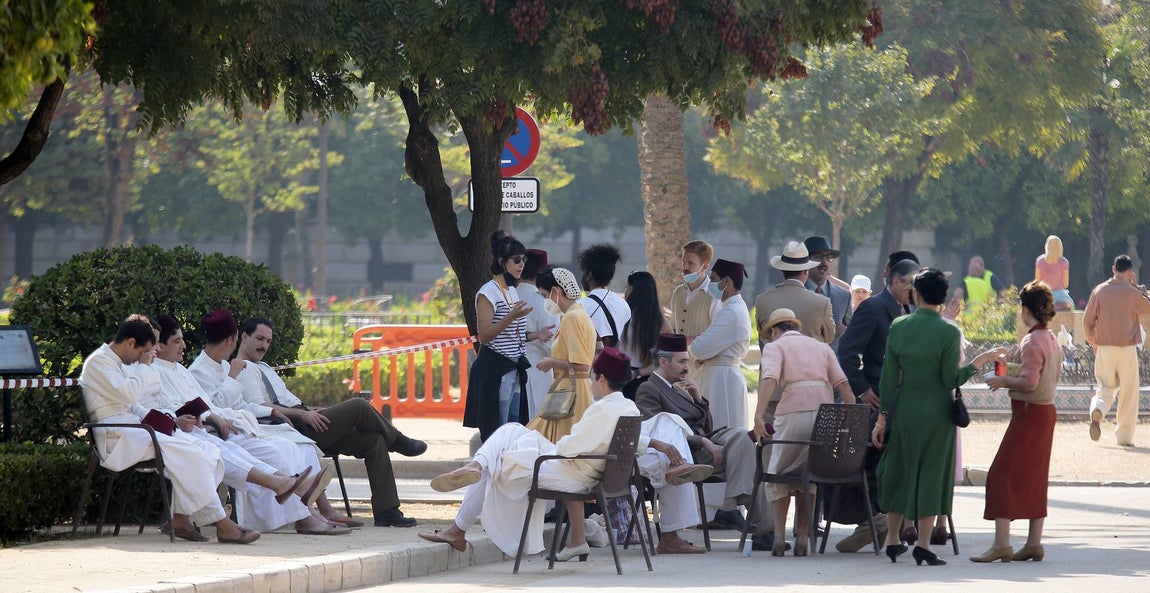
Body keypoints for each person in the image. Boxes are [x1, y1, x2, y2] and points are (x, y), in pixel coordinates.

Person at [417, 348, 659, 560]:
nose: (591, 384)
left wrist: (554, 445)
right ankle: (475, 469)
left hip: (570, 472)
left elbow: (567, 448)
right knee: (513, 431)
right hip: (579, 468)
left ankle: (462, 515)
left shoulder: (602, 410)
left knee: (497, 460)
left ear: (602, 379)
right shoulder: (627, 407)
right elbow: (631, 446)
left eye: (593, 380)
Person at [151, 316, 346, 535]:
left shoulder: (180, 369)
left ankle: (303, 505)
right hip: (204, 431)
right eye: (177, 341)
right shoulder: (176, 370)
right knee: (272, 452)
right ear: (232, 341)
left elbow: (223, 404)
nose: (184, 346)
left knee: (291, 447)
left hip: (229, 425)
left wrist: (267, 411)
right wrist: (214, 414)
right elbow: (190, 407)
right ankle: (298, 508)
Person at [78, 314, 260, 544]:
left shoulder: (118, 361)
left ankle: (181, 518)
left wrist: (170, 422)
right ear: (131, 343)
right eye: (142, 352)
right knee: (191, 452)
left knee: (206, 451)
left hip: (136, 428)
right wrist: (144, 367)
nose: (142, 359)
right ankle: (223, 524)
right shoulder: (98, 363)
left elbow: (134, 405)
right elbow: (128, 394)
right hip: (116, 435)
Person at [232, 316, 428, 527]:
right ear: (244, 337)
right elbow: (261, 407)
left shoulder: (265, 367)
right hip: (290, 428)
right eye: (260, 339)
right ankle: (398, 441)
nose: (264, 346)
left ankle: (387, 511)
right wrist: (303, 415)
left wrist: (310, 410)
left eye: (268, 341)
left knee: (374, 440)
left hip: (306, 419)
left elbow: (288, 400)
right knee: (359, 406)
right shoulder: (241, 368)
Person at [871, 268, 1000, 566]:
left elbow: (888, 379)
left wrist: (882, 418)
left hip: (905, 409)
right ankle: (925, 544)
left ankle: (893, 538)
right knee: (931, 473)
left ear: (915, 294)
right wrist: (978, 363)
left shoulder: (899, 326)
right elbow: (949, 379)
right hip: (938, 412)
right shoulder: (948, 331)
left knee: (900, 469)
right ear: (943, 299)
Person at [635, 333, 779, 551]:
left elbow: (708, 426)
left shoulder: (680, 387)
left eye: (687, 360)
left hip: (706, 441)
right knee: (751, 462)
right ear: (664, 361)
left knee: (742, 437)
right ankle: (764, 531)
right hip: (685, 451)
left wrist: (698, 399)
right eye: (682, 361)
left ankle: (733, 503)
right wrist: (702, 440)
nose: (687, 366)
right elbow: (657, 431)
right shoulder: (649, 389)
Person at [831, 258, 918, 553]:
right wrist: (863, 389)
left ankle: (895, 522)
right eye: (908, 283)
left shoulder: (910, 309)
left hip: (906, 401)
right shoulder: (873, 307)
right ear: (894, 281)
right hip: (879, 400)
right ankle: (872, 520)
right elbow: (846, 351)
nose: (912, 289)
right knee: (876, 460)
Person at [754, 309, 857, 556]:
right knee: (809, 475)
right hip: (825, 416)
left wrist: (758, 415)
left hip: (793, 415)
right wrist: (853, 419)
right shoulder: (821, 347)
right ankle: (802, 539)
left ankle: (779, 538)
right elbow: (843, 385)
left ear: (775, 330)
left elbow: (769, 379)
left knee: (779, 474)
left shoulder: (775, 347)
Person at [969, 281, 1059, 563]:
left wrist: (1002, 379)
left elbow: (1030, 382)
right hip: (1046, 411)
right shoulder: (1050, 337)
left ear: (1025, 309)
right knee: (1035, 476)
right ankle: (1033, 542)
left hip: (1029, 413)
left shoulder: (1032, 341)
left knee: (1001, 474)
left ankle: (1002, 544)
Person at [463, 231, 551, 439]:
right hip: (495, 369)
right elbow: (484, 336)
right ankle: (493, 471)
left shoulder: (512, 290)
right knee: (497, 431)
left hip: (514, 368)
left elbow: (513, 336)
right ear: (502, 262)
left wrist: (535, 335)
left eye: (524, 260)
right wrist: (511, 316)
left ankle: (505, 470)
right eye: (517, 260)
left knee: (512, 429)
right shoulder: (488, 292)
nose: (522, 265)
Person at [1083, 254, 1150, 446]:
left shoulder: (1099, 290)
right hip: (1127, 349)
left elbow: (1087, 321)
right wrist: (1139, 290)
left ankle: (1098, 409)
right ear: (1130, 273)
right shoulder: (1132, 293)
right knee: (1129, 393)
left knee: (1105, 387)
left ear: (1113, 269)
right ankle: (1124, 437)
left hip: (1104, 348)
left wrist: (1093, 341)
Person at [526, 267, 597, 442]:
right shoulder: (578, 314)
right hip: (572, 389)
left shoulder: (572, 318)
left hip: (571, 393)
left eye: (544, 295)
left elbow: (582, 365)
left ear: (556, 291)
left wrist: (552, 362)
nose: (545, 301)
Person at [689, 258, 752, 432]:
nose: (712, 283)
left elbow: (698, 348)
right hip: (718, 375)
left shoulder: (732, 311)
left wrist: (695, 342)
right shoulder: (731, 307)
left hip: (722, 379)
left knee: (722, 431)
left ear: (726, 281)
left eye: (714, 278)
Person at [755, 241, 834, 346]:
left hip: (774, 362)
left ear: (782, 270)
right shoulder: (822, 303)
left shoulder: (762, 301)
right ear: (807, 271)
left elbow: (763, 336)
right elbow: (829, 337)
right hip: (809, 362)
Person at [521, 248, 560, 420]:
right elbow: (553, 344)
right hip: (538, 370)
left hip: (510, 371)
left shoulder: (508, 295)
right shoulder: (543, 301)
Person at [619, 270, 671, 399]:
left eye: (627, 287)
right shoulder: (658, 319)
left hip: (623, 377)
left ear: (631, 289)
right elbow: (670, 350)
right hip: (650, 379)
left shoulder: (623, 314)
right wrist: (638, 372)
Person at [576, 243, 631, 349]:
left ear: (589, 275)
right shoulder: (624, 305)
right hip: (614, 363)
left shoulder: (580, 306)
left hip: (587, 363)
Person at [669, 240, 721, 347]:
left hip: (704, 362)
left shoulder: (714, 295)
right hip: (678, 362)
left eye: (690, 263)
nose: (685, 267)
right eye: (683, 262)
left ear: (705, 267)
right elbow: (673, 327)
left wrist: (684, 342)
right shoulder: (678, 292)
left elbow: (718, 334)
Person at [804, 236, 852, 349]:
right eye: (818, 257)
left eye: (828, 257)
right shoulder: (795, 293)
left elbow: (852, 335)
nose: (824, 262)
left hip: (833, 363)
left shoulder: (844, 296)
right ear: (806, 261)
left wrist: (845, 332)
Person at [1035, 235, 1073, 311]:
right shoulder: (1064, 262)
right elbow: (1065, 285)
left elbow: (1037, 282)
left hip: (1044, 294)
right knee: (1071, 306)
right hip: (1060, 295)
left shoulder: (1040, 261)